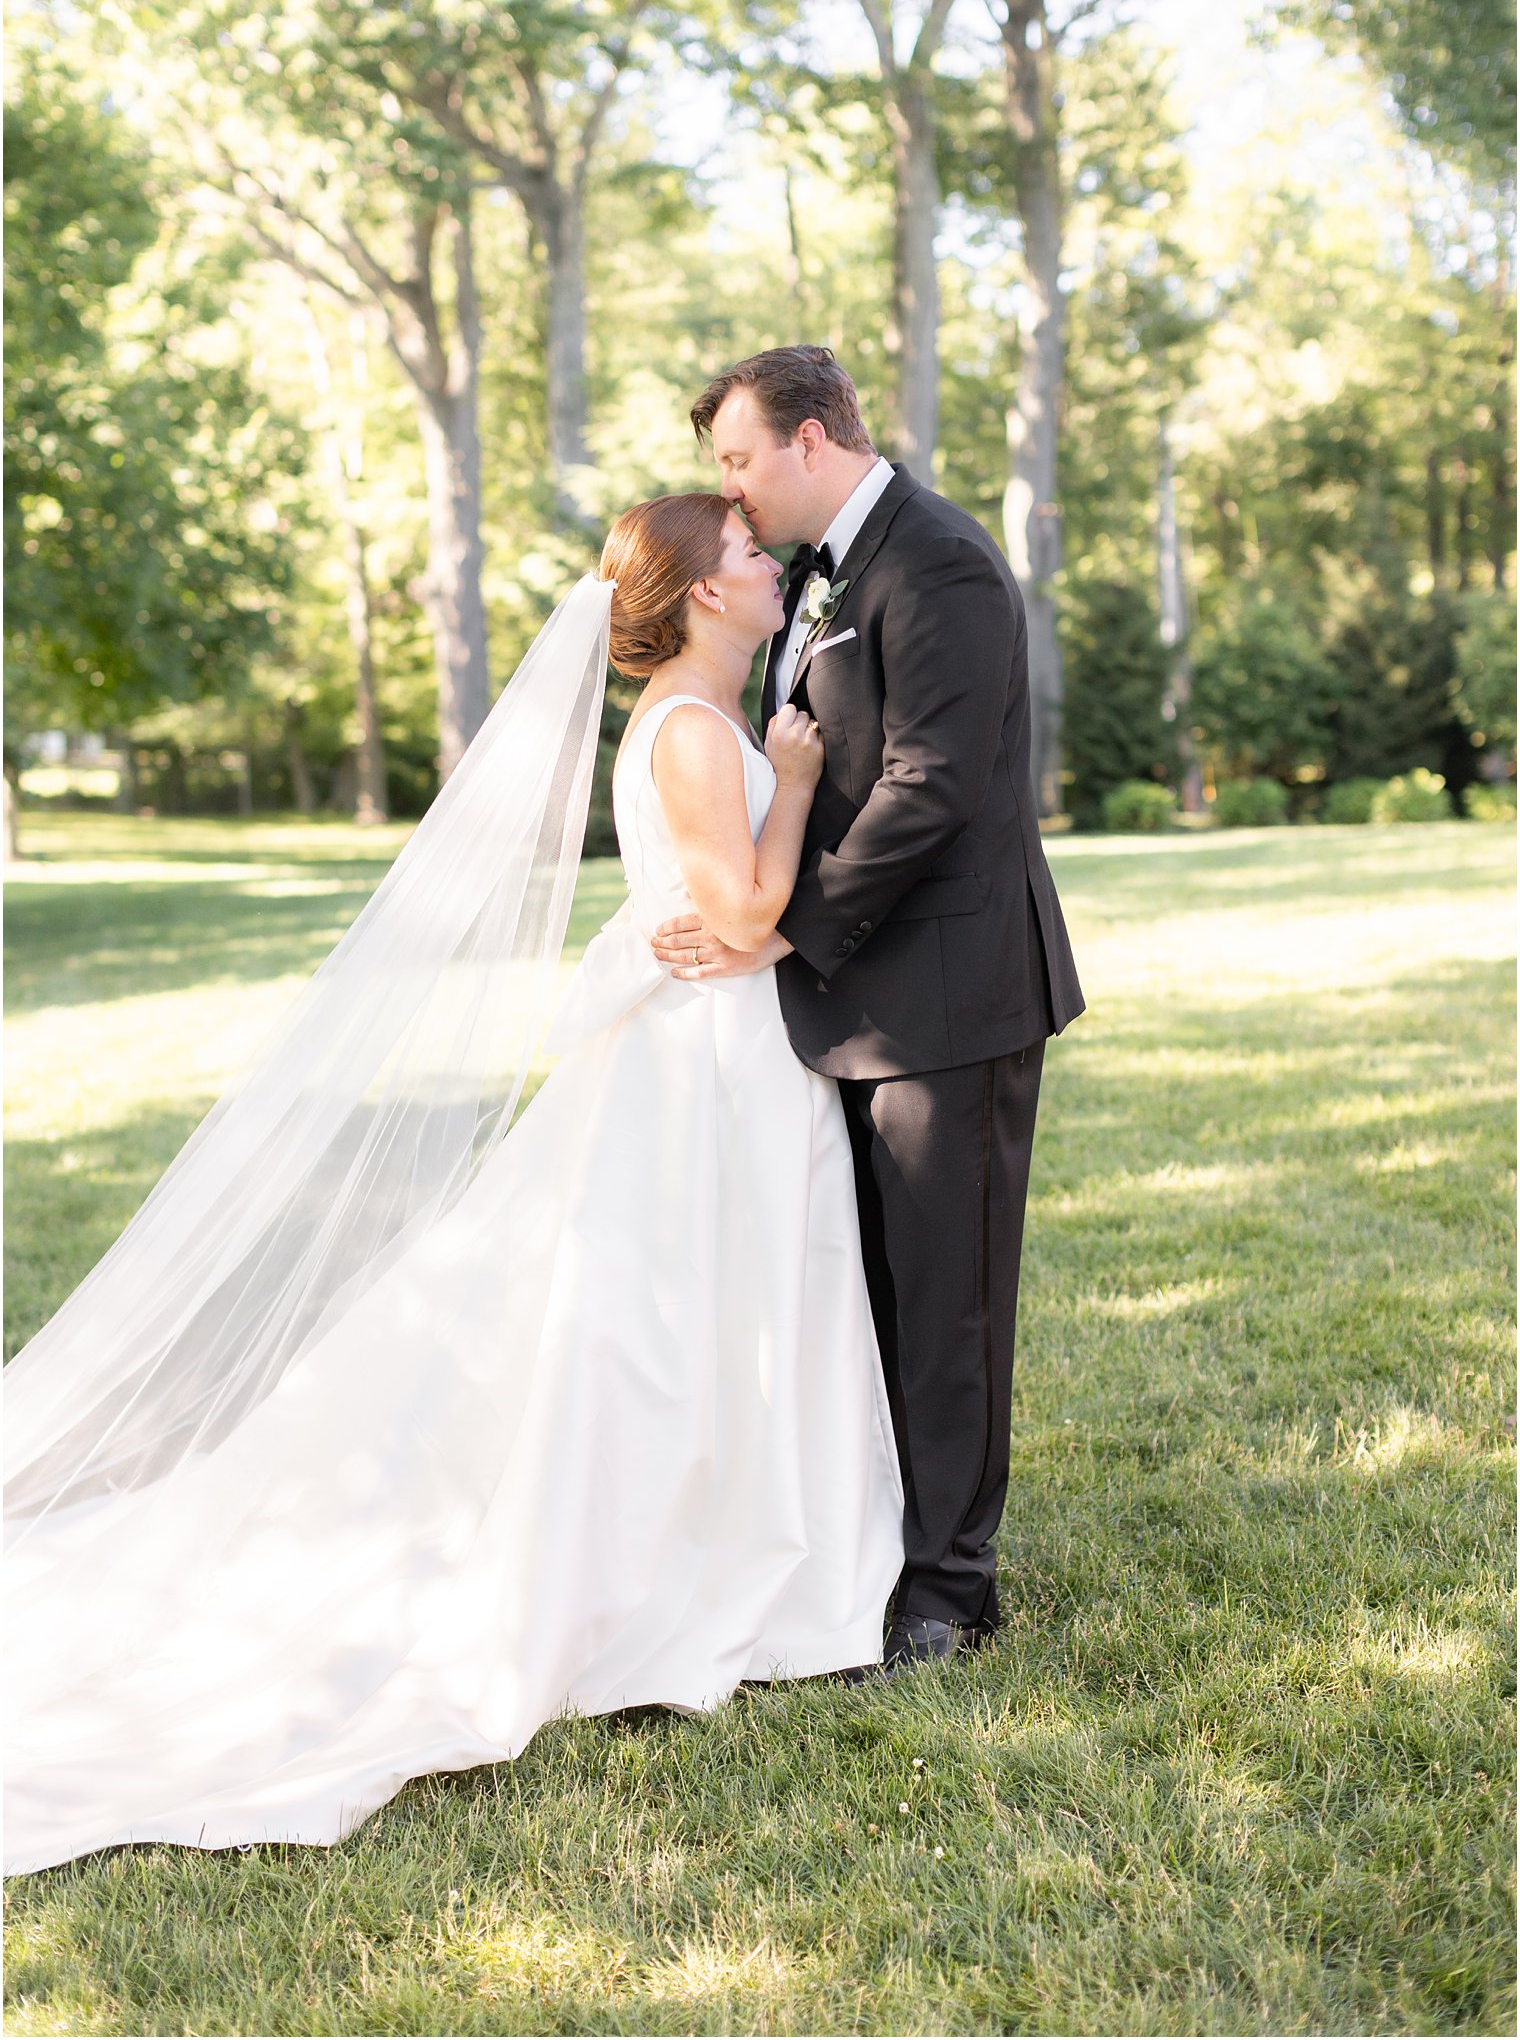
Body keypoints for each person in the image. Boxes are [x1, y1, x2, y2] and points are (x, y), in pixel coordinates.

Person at [2, 492, 903, 1877]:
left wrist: (767, 783)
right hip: (705, 1060)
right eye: (741, 549)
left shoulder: (697, 717)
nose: (768, 560)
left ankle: (735, 1534)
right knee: (680, 1312)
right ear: (701, 593)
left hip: (719, 1045)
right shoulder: (690, 730)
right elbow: (735, 915)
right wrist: (788, 785)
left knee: (716, 1306)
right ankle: (698, 1559)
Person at [653, 347, 1085, 1669]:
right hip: (856, 998)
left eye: (739, 456)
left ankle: (953, 1591)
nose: (727, 482)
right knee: (882, 1292)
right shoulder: (832, 569)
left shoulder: (935, 558)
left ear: (817, 435)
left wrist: (785, 925)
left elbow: (932, 784)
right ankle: (885, 1547)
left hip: (950, 995)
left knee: (948, 1299)